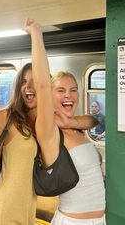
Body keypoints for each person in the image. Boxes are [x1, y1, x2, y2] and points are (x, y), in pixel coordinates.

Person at [0, 23, 98, 225]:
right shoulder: (7, 117)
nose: (29, 87)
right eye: (23, 82)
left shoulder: (49, 123)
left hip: (25, 216)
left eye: (33, 81)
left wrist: (73, 120)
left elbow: (92, 120)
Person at [24, 19, 106, 225]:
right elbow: (41, 84)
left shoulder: (76, 129)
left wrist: (72, 121)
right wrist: (36, 34)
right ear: (49, 96)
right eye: (60, 90)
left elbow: (96, 119)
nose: (69, 95)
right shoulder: (49, 132)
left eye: (73, 90)